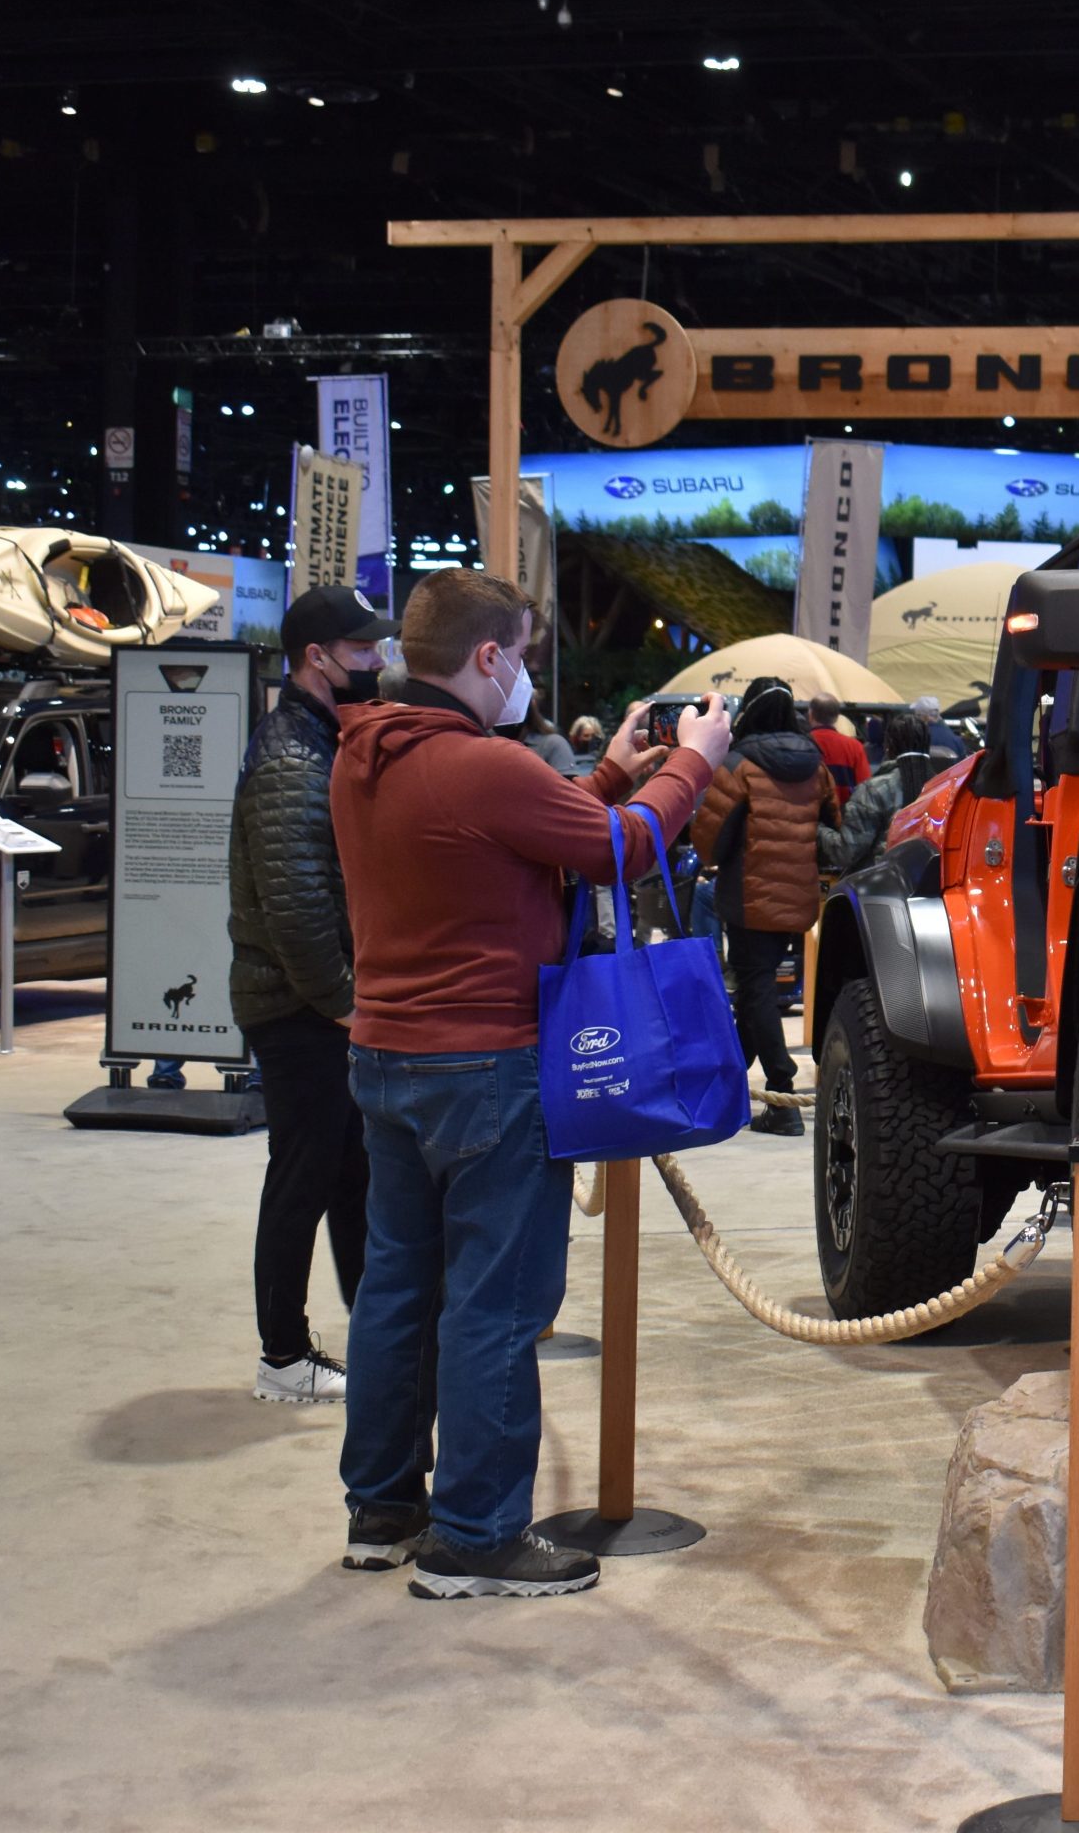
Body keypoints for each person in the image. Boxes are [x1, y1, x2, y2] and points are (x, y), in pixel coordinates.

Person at [330, 569, 730, 1599]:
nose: (528, 677)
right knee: (496, 1307)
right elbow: (624, 847)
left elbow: (509, 841)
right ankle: (474, 1537)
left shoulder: (366, 754)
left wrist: (600, 773)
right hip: (486, 1065)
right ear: (489, 657)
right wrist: (692, 762)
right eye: (524, 656)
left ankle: (383, 1511)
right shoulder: (477, 766)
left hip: (387, 1054)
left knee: (397, 1290)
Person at [229, 584, 395, 1405]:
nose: (376, 661)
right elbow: (294, 903)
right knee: (304, 1173)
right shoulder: (294, 755)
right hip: (299, 1007)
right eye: (362, 649)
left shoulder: (318, 739)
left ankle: (373, 1338)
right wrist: (342, 1002)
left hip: (313, 1001)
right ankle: (283, 1356)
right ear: (316, 659)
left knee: (346, 1170)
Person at [691, 678, 837, 1136]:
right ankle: (726, 1087)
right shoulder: (817, 765)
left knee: (754, 990)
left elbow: (710, 837)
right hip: (798, 896)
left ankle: (781, 1095)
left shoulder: (739, 764)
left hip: (749, 896)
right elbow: (834, 824)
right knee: (759, 994)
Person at [832, 710, 937, 877]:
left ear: (889, 746)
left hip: (878, 885)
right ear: (927, 744)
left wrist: (819, 831)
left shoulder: (873, 790)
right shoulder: (944, 788)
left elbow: (847, 852)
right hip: (932, 887)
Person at [805, 692, 868, 794]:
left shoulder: (801, 743)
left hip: (809, 807)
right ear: (836, 717)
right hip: (846, 808)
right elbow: (865, 787)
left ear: (810, 715)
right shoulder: (855, 747)